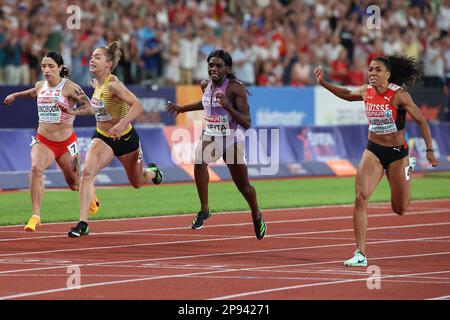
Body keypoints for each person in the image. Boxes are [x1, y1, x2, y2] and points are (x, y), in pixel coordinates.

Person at [314, 55, 439, 267]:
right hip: (373, 150)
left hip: (398, 154)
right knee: (360, 197)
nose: (372, 73)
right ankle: (360, 253)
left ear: (388, 74)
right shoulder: (366, 91)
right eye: (370, 69)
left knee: (400, 208)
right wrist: (324, 83)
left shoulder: (400, 96)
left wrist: (429, 150)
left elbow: (421, 121)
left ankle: (408, 169)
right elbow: (346, 94)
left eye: (378, 70)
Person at [63, 41, 163, 237]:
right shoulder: (97, 84)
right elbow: (95, 109)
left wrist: (121, 123)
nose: (92, 60)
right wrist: (73, 110)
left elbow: (139, 106)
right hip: (103, 137)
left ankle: (152, 172)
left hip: (126, 139)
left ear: (108, 64)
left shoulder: (114, 85)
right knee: (87, 173)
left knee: (137, 182)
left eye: (97, 57)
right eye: (91, 57)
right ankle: (83, 224)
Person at [167, 49, 266, 240]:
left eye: (219, 66)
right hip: (211, 135)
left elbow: (247, 122)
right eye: (211, 65)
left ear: (227, 69)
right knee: (199, 162)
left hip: (232, 138)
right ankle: (205, 209)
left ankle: (256, 213)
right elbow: (205, 103)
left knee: (243, 187)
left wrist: (227, 105)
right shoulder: (205, 85)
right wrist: (182, 109)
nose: (213, 69)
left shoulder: (236, 88)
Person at [3, 51, 99, 232]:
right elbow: (33, 92)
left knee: (74, 183)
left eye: (50, 66)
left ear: (60, 68)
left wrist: (71, 111)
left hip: (65, 144)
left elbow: (90, 108)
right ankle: (35, 216)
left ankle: (92, 195)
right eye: (43, 66)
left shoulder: (70, 87)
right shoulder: (41, 86)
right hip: (44, 141)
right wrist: (15, 95)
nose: (46, 70)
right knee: (35, 169)